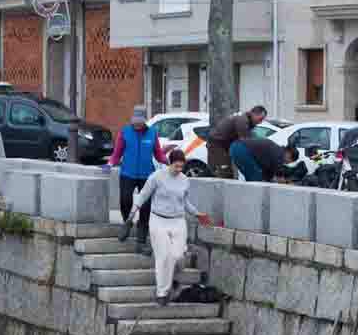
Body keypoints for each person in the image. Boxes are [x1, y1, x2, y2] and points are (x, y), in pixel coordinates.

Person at [129, 149, 212, 305]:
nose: (179, 170)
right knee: (163, 256)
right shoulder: (157, 177)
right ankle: (162, 292)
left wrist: (197, 213)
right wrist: (131, 215)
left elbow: (185, 201)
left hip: (178, 221)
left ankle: (171, 274)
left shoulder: (184, 180)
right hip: (158, 220)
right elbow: (143, 195)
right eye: (176, 166)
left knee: (178, 256)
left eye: (181, 167)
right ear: (170, 163)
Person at [108, 105, 167, 255]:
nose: (137, 124)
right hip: (127, 173)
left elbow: (158, 154)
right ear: (132, 120)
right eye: (135, 121)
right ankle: (127, 223)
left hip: (147, 176)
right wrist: (110, 164)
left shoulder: (152, 133)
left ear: (144, 120)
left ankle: (141, 241)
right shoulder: (125, 132)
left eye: (139, 122)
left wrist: (168, 162)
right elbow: (117, 153)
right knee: (125, 200)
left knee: (146, 208)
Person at [207, 105, 266, 176]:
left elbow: (250, 139)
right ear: (254, 114)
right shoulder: (243, 121)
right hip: (217, 144)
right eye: (260, 119)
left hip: (224, 145)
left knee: (226, 171)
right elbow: (246, 142)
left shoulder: (247, 120)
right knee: (224, 172)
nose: (260, 122)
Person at [230, 138, 299, 182]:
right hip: (241, 149)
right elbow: (278, 172)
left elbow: (268, 173)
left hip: (236, 147)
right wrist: (283, 180)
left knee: (253, 179)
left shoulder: (276, 151)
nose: (287, 163)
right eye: (289, 161)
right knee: (256, 179)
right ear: (289, 154)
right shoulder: (279, 154)